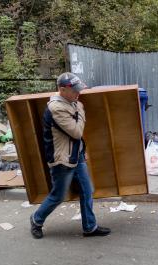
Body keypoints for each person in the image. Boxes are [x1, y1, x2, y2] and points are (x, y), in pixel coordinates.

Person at [30, 72, 111, 239]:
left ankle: (89, 227)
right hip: (62, 160)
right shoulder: (57, 108)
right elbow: (76, 131)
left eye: (78, 89)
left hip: (76, 155)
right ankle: (36, 220)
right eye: (74, 90)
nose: (78, 93)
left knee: (87, 190)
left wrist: (82, 150)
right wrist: (81, 110)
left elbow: (76, 137)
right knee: (58, 195)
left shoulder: (70, 101)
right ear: (62, 90)